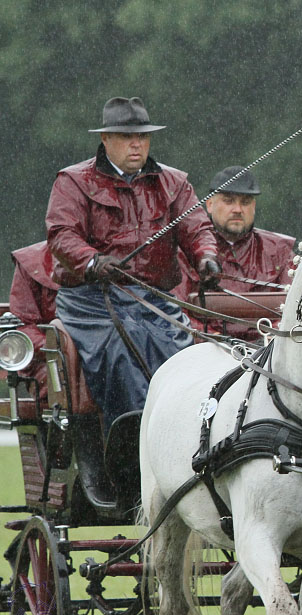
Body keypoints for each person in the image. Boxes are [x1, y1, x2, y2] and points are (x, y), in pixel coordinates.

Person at [45, 96, 221, 442]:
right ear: (106, 140)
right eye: (126, 137)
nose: (137, 144)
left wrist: (206, 257)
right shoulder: (73, 182)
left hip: (153, 298)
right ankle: (130, 449)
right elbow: (61, 234)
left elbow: (197, 228)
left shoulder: (174, 183)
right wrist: (93, 261)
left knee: (182, 357)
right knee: (120, 356)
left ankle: (186, 443)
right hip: (90, 301)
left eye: (143, 136)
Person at [174, 165, 295, 340]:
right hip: (202, 352)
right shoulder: (186, 251)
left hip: (267, 354)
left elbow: (294, 309)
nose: (238, 209)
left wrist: (270, 337)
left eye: (245, 202)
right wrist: (211, 337)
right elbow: (175, 310)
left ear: (253, 206)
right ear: (210, 205)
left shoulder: (280, 251)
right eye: (229, 201)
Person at [7, 241, 59, 400]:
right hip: (51, 360)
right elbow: (24, 325)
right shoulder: (32, 261)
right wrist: (56, 346)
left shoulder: (121, 258)